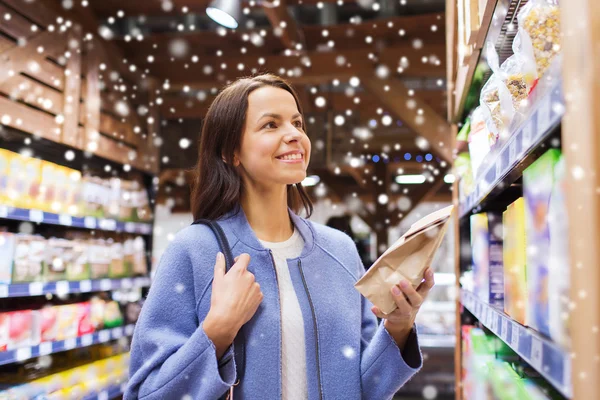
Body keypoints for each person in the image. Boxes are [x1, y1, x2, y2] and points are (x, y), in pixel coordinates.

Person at [125, 74, 435, 400]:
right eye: (271, 125)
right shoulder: (195, 251)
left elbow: (364, 389)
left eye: (297, 123)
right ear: (232, 152)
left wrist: (398, 327)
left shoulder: (340, 251)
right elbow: (146, 392)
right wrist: (217, 330)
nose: (294, 135)